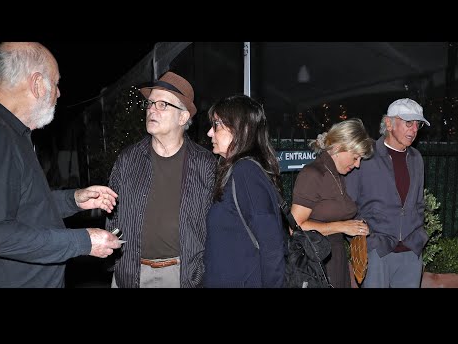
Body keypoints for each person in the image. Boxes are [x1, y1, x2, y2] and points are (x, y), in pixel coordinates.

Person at [0, 42, 121, 288]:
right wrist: (82, 241)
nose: (59, 93)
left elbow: (20, 206)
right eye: (55, 83)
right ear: (36, 84)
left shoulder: (14, 134)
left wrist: (73, 200)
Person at [106, 71, 216, 288]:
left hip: (182, 276)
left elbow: (215, 224)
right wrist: (116, 259)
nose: (152, 110)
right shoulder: (128, 159)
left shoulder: (206, 164)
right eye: (150, 103)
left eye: (163, 105)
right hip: (130, 273)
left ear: (183, 117)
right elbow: (112, 213)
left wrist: (202, 271)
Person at [203, 94, 286, 288]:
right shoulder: (236, 171)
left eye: (216, 124)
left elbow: (272, 247)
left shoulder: (246, 172)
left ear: (241, 129)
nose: (209, 133)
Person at [345, 98, 430, 288]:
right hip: (377, 249)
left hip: (411, 249)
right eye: (408, 123)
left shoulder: (416, 158)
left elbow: (418, 202)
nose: (414, 130)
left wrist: (418, 234)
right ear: (389, 123)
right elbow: (348, 203)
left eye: (417, 124)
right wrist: (365, 240)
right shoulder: (366, 155)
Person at [290, 118, 374, 288]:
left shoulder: (337, 175)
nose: (357, 165)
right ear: (338, 148)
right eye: (355, 157)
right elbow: (295, 226)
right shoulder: (313, 174)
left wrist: (355, 226)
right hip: (315, 263)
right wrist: (342, 226)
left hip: (335, 257)